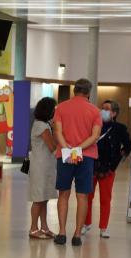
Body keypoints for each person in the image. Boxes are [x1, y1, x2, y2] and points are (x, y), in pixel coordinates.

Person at [53, 78, 102, 246]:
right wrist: (79, 150)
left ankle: (61, 232)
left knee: (63, 194)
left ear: (74, 90)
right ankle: (77, 235)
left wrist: (69, 149)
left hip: (64, 155)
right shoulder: (95, 111)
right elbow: (95, 136)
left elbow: (57, 131)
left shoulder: (61, 108)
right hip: (86, 157)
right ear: (89, 92)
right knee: (82, 196)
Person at [84, 100, 131, 238]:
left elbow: (128, 146)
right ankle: (86, 224)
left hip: (108, 169)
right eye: (102, 108)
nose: (103, 111)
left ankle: (103, 227)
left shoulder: (120, 128)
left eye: (107, 109)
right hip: (91, 166)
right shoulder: (94, 125)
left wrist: (115, 162)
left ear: (114, 113)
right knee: (87, 197)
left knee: (105, 199)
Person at [28, 97, 58, 240]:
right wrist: (57, 130)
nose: (55, 112)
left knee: (44, 197)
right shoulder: (42, 126)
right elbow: (52, 146)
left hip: (46, 166)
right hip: (40, 167)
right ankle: (33, 228)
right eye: (54, 109)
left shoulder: (43, 124)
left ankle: (44, 227)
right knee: (38, 198)